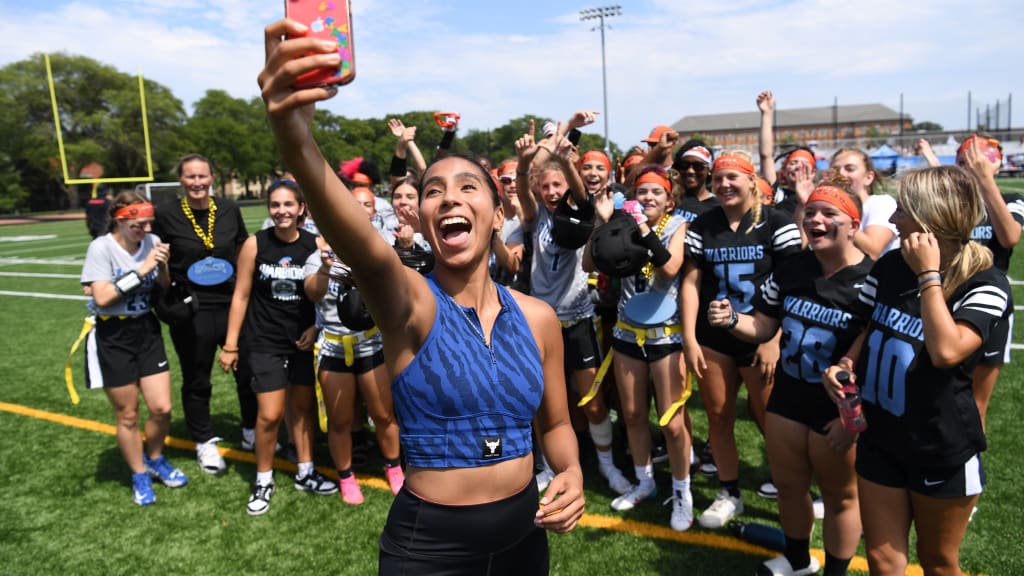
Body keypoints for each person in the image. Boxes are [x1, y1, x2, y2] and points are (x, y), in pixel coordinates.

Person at [260, 19, 584, 574]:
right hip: (429, 548)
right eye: (432, 191)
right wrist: (295, 138)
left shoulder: (539, 318)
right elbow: (362, 247)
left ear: (498, 214)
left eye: (467, 187)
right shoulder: (411, 303)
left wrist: (571, 471)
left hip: (525, 540)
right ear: (422, 216)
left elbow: (555, 424)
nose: (448, 198)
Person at [823, 165, 1009, 575]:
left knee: (938, 563)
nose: (892, 220)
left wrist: (928, 274)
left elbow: (945, 351)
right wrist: (845, 365)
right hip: (882, 436)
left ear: (931, 218)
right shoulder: (889, 266)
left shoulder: (986, 281)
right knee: (882, 560)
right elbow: (870, 327)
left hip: (939, 445)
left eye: (902, 210)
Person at [709, 178, 869, 575]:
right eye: (811, 211)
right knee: (790, 488)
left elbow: (875, 358)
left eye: (829, 213)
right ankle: (798, 562)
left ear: (853, 223)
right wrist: (732, 321)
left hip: (837, 408)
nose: (816, 219)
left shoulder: (872, 282)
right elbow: (763, 326)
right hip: (788, 396)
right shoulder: (793, 268)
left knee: (840, 498)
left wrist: (853, 418)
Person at [681, 152, 802, 528]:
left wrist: (774, 337)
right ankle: (729, 491)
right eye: (718, 179)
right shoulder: (704, 224)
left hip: (759, 335)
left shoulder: (777, 223)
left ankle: (793, 490)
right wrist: (688, 336)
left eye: (732, 177)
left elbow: (794, 284)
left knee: (772, 420)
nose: (724, 185)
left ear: (752, 180)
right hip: (714, 335)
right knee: (718, 416)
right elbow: (691, 281)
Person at [515, 114, 632, 496]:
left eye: (557, 185)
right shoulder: (533, 219)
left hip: (578, 319)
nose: (551, 191)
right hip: (540, 324)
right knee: (544, 403)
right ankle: (547, 467)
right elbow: (521, 188)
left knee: (593, 403)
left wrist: (565, 156)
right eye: (545, 185)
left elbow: (581, 195)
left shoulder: (577, 211)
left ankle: (606, 464)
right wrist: (523, 163)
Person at [218, 179, 337, 516]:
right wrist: (230, 345)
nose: (281, 211)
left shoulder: (315, 244)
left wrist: (315, 327)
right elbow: (240, 295)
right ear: (269, 208)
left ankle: (305, 471)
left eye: (288, 205)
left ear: (301, 209)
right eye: (275, 205)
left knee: (302, 411)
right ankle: (263, 478)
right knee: (270, 415)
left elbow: (323, 296)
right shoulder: (256, 244)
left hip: (301, 340)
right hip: (263, 341)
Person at [586, 165, 693, 531]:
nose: (647, 198)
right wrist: (602, 224)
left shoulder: (678, 225)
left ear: (669, 199)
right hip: (627, 335)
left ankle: (682, 491)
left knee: (672, 422)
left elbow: (668, 270)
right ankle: (644, 481)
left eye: (656, 193)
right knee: (632, 414)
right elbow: (589, 263)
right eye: (642, 192)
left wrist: (644, 229)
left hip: (667, 336)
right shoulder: (620, 221)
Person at [152, 154, 257, 474]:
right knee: (197, 378)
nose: (197, 183)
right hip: (191, 307)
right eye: (190, 177)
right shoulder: (166, 215)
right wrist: (162, 270)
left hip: (231, 304)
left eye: (202, 176)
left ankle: (251, 431)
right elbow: (161, 263)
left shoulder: (229, 209)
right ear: (180, 180)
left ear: (212, 177)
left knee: (247, 372)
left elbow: (241, 250)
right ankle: (204, 442)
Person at [81, 191, 187, 505]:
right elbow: (102, 298)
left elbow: (163, 287)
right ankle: (139, 473)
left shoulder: (152, 242)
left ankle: (154, 457)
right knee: (128, 415)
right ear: (120, 218)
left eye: (147, 223)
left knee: (161, 408)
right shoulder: (101, 248)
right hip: (114, 334)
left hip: (146, 329)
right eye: (137, 224)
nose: (144, 229)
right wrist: (142, 270)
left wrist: (163, 267)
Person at [304, 242, 404, 505]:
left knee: (384, 415)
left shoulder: (366, 250)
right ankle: (346, 476)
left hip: (370, 345)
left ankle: (393, 468)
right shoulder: (317, 258)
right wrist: (327, 267)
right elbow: (312, 293)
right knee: (339, 421)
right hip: (334, 348)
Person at [829, 148, 899, 259]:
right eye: (835, 171)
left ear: (868, 177)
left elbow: (873, 251)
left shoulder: (880, 203)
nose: (841, 174)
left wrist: (841, 213)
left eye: (850, 169)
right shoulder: (824, 211)